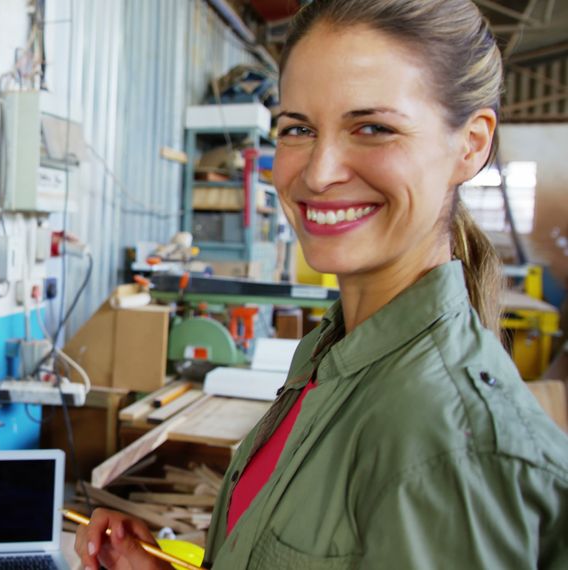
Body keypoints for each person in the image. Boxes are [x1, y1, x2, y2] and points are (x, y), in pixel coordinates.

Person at [74, 0, 568, 568]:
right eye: (298, 128)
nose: (318, 171)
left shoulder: (452, 451)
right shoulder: (330, 356)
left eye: (373, 128)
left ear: (471, 144)